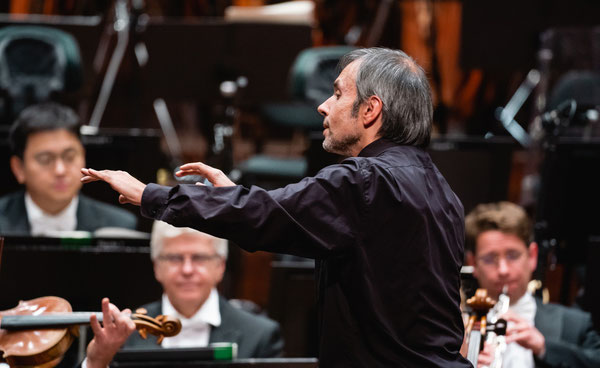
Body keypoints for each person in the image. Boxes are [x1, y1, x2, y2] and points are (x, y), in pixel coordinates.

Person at [81, 47, 471, 367]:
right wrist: (232, 196)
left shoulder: (364, 181)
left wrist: (150, 194)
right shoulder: (441, 190)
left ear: (370, 110)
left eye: (337, 94)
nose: (322, 106)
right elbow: (280, 216)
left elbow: (265, 214)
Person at [464, 201, 600, 368]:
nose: (503, 270)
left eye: (513, 255)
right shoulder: (454, 324)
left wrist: (544, 348)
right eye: (490, 259)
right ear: (473, 263)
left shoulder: (575, 324)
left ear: (532, 256)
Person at [123, 220, 283, 357]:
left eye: (199, 258)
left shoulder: (260, 335)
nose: (187, 270)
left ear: (220, 266)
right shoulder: (126, 331)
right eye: (175, 258)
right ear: (157, 267)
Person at [0, 102, 137, 235]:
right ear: (19, 168)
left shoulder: (118, 226)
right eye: (45, 159)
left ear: (83, 156)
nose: (60, 170)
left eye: (69, 157)